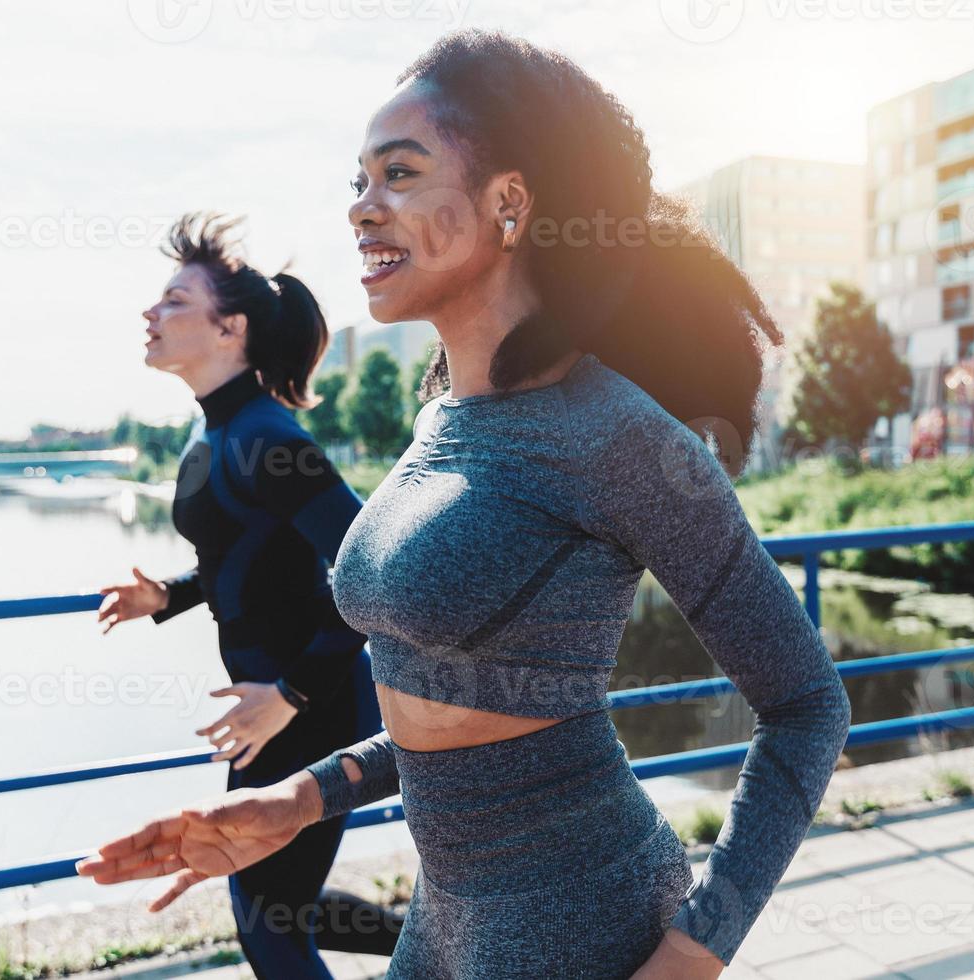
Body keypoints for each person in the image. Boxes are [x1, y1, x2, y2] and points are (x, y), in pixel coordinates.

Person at [79, 34, 851, 979]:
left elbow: (809, 705)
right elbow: (457, 707)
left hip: (582, 919)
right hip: (443, 912)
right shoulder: (440, 420)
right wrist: (294, 804)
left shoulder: (621, 436)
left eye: (398, 174)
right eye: (357, 181)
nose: (362, 209)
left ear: (510, 203)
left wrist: (696, 952)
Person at [93, 213, 401, 977]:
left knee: (269, 924)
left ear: (229, 328)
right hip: (278, 711)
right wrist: (167, 594)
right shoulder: (215, 432)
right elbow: (248, 556)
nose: (150, 313)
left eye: (172, 300)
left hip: (314, 704)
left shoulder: (268, 437)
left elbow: (372, 572)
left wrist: (292, 693)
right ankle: (446, 943)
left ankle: (450, 944)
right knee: (268, 903)